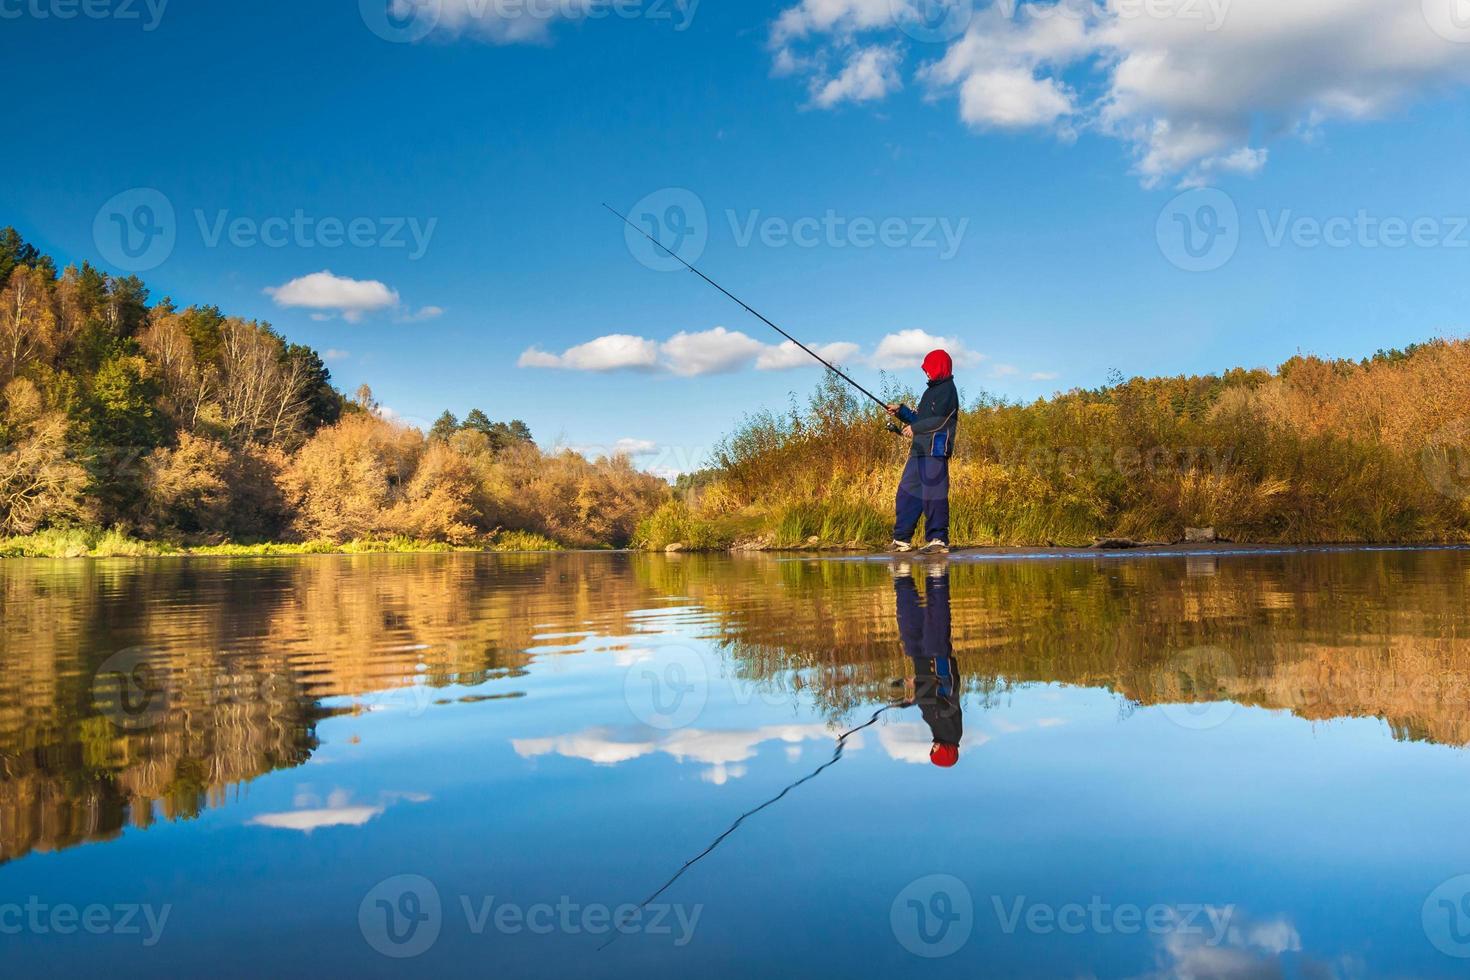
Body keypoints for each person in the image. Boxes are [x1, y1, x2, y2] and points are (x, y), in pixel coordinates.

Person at [886, 349, 959, 554]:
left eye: (928, 368)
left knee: (933, 495)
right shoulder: (930, 392)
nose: (926, 373)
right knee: (907, 492)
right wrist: (901, 411)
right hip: (919, 450)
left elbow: (942, 420)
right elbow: (921, 419)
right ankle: (901, 540)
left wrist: (916, 428)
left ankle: (938, 540)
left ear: (939, 367)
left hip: (935, 449)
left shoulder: (948, 390)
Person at [894, 561, 962, 768]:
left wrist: (915, 688)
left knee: (908, 619)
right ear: (944, 753)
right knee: (936, 614)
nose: (931, 749)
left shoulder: (938, 731)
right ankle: (937, 574)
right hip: (937, 661)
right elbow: (941, 703)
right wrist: (917, 695)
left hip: (923, 663)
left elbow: (929, 702)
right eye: (934, 753)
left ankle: (903, 577)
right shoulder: (950, 732)